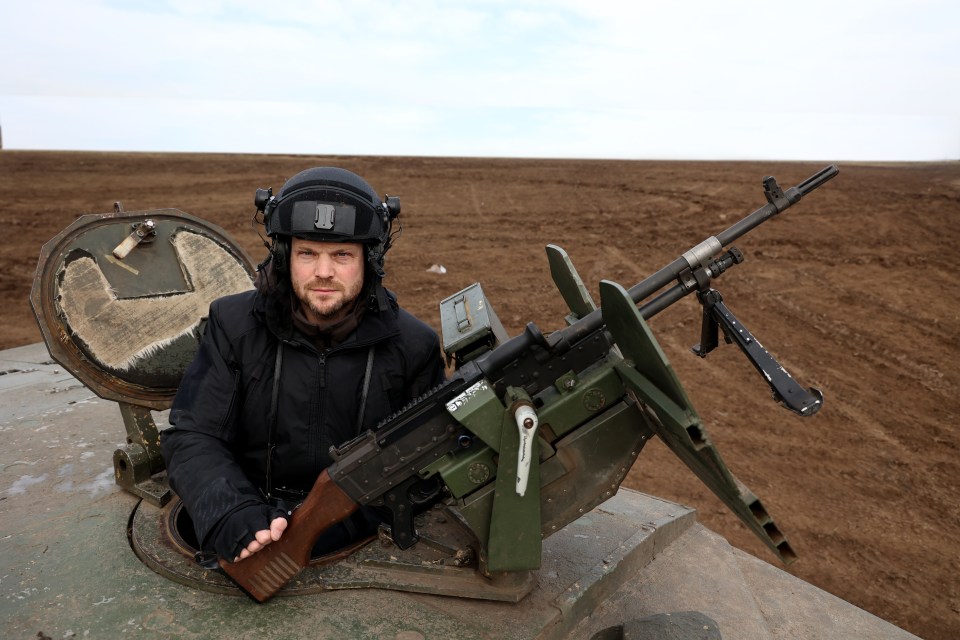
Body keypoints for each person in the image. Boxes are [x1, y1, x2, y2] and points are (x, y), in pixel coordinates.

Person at [160, 167, 447, 564]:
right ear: (283, 256)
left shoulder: (413, 345)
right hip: (248, 512)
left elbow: (423, 471)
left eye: (342, 255)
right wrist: (232, 513)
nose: (324, 272)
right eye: (307, 253)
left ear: (370, 258)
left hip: (356, 538)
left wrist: (323, 529)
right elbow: (193, 435)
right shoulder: (234, 325)